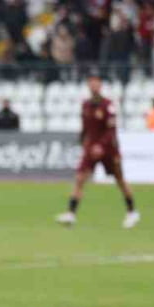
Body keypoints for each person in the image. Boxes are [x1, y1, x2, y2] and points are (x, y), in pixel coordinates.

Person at [56, 74, 140, 229]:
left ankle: (132, 211)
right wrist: (82, 140)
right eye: (91, 83)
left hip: (108, 149)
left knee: (120, 180)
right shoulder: (86, 105)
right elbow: (85, 127)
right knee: (80, 178)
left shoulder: (108, 105)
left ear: (100, 85)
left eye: (96, 83)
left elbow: (111, 130)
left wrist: (101, 145)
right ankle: (70, 213)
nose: (93, 86)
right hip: (91, 148)